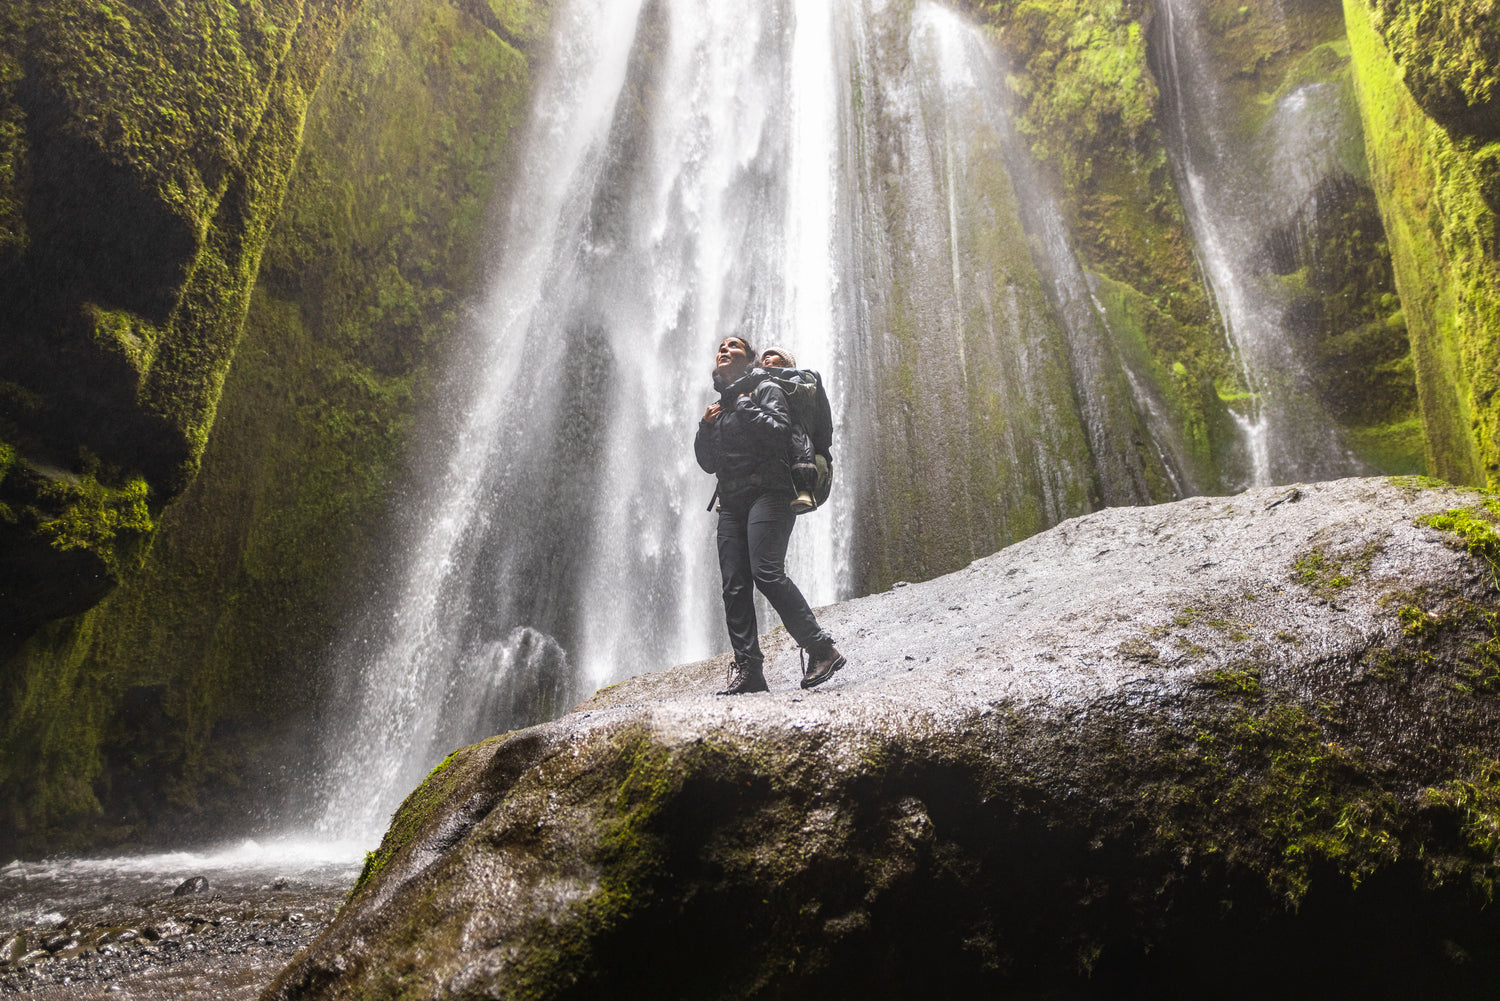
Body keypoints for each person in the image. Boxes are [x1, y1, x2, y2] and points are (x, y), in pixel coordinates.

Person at [695, 335, 845, 694]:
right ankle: (750, 670)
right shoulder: (719, 406)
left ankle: (822, 649)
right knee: (734, 584)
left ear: (750, 360)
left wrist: (745, 405)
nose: (724, 350)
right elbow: (708, 463)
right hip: (731, 503)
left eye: (734, 346)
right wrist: (705, 426)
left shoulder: (763, 389)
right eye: (720, 347)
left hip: (770, 493)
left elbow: (779, 433)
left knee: (766, 571)